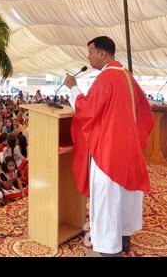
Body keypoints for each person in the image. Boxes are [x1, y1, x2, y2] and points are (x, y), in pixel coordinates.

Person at [64, 36, 154, 257]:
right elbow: (144, 109)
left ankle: (108, 249)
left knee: (107, 198)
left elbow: (87, 110)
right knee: (124, 196)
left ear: (102, 54)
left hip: (109, 149)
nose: (89, 56)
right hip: (128, 147)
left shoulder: (107, 78)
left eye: (91, 52)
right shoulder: (126, 76)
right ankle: (124, 241)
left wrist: (73, 88)